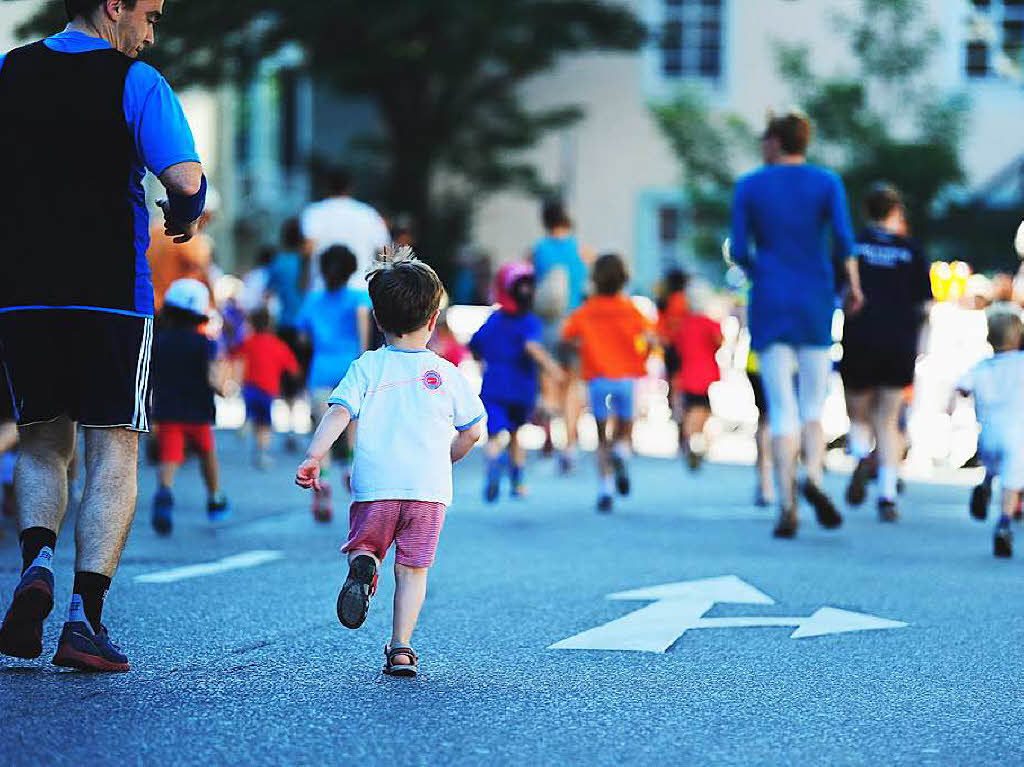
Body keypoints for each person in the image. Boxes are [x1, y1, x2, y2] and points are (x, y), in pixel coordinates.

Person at [0, 0, 205, 672]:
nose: (152, 30)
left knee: (40, 439)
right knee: (112, 448)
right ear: (113, 6)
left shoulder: (9, 70)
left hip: (22, 293)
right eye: (149, 14)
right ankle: (84, 618)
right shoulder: (137, 82)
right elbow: (185, 178)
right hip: (111, 295)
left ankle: (38, 561)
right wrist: (185, 214)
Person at [295, 247, 485, 677]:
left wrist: (314, 456)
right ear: (434, 320)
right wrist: (446, 458)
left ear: (377, 320)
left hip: (376, 487)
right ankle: (401, 648)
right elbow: (473, 430)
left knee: (367, 545)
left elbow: (339, 411)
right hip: (428, 492)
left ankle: (365, 562)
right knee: (414, 570)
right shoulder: (448, 372)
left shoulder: (367, 367)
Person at [729, 112, 863, 539]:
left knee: (780, 408)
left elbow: (738, 246)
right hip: (815, 299)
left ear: (774, 142)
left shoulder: (750, 185)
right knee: (812, 406)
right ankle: (816, 481)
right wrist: (853, 285)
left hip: (770, 298)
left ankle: (787, 502)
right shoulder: (827, 183)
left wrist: (758, 268)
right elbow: (843, 239)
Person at [841, 184, 932, 522]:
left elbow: (842, 294)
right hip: (898, 339)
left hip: (861, 335)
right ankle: (887, 492)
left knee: (858, 412)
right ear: (896, 211)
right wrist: (922, 344)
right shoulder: (911, 249)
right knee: (889, 418)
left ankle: (862, 455)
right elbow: (925, 303)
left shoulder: (854, 246)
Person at [563, 253, 653, 513]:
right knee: (624, 429)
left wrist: (582, 349)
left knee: (601, 438)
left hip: (597, 379)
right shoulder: (631, 310)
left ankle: (605, 488)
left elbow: (567, 337)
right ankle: (623, 453)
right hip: (626, 377)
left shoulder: (585, 311)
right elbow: (650, 336)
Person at [470, 262, 564, 502]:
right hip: (521, 386)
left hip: (493, 385)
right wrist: (552, 368)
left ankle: (492, 463)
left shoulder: (494, 319)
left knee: (493, 436)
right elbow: (531, 347)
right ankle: (518, 481)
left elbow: (475, 345)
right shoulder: (530, 321)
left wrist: (484, 360)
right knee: (515, 432)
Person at [149, 279, 230, 535]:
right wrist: (222, 389)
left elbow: (150, 375)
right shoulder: (205, 343)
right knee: (207, 453)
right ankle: (215, 497)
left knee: (170, 456)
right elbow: (212, 377)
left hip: (168, 410)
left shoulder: (159, 341)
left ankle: (164, 494)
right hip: (199, 411)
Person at [296, 246, 372, 515]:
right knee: (352, 426)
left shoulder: (312, 300)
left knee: (322, 428)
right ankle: (349, 467)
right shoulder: (359, 298)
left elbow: (302, 337)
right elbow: (365, 327)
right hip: (350, 369)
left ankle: (323, 478)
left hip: (321, 370)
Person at [955, 309, 1024, 557]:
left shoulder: (982, 366)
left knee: (994, 466)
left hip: (987, 434)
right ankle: (1004, 523)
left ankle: (985, 484)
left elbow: (961, 387)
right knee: (1011, 482)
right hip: (1017, 435)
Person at [531, 200, 592, 473]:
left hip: (547, 323)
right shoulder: (581, 250)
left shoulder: (539, 250)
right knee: (572, 385)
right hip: (576, 325)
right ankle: (568, 445)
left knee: (548, 378)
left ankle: (547, 430)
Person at [266, 218, 313, 452]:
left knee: (286, 378)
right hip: (307, 329)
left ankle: (290, 427)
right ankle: (307, 423)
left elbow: (268, 293)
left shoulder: (278, 262)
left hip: (284, 326)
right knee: (303, 376)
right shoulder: (308, 263)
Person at [233, 308, 300, 473]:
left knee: (255, 419)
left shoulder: (248, 341)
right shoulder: (278, 344)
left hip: (249, 388)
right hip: (267, 391)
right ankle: (261, 454)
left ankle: (247, 422)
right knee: (264, 425)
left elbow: (235, 354)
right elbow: (292, 368)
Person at [300, 167, 391, 286]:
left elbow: (308, 249)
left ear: (326, 186)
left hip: (322, 287)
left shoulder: (314, 212)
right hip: (361, 287)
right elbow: (385, 251)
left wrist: (303, 279)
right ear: (351, 187)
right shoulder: (368, 214)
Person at [668, 284, 724, 472]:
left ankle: (693, 442)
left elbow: (677, 346)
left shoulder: (684, 324)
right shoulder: (708, 323)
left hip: (688, 373)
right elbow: (719, 341)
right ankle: (693, 442)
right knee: (700, 410)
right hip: (704, 373)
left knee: (696, 409)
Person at [148, 183, 219, 312]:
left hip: (150, 303)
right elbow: (204, 274)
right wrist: (214, 307)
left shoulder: (153, 231)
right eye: (207, 219)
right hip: (176, 313)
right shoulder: (192, 241)